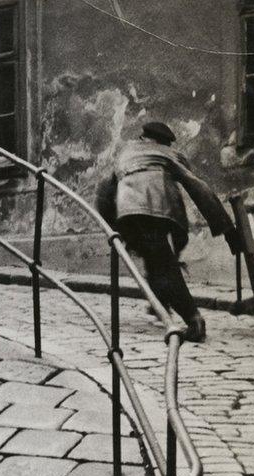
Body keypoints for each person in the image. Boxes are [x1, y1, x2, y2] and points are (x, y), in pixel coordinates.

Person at [96, 121, 238, 342]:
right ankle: (184, 314)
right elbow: (198, 187)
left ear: (143, 137)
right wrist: (227, 228)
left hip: (129, 212)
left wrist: (112, 229)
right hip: (160, 211)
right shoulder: (170, 154)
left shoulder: (126, 152)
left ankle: (176, 311)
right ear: (165, 142)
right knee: (162, 261)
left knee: (159, 259)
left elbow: (104, 192)